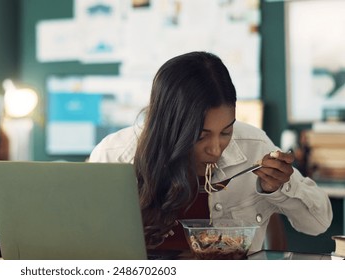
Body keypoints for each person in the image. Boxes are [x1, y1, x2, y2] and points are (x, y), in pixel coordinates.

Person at [88, 51, 333, 252]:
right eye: (200, 136)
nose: (216, 149)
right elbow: (86, 246)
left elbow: (318, 223)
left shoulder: (254, 147)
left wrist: (279, 188)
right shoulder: (114, 157)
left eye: (226, 132)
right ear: (169, 127)